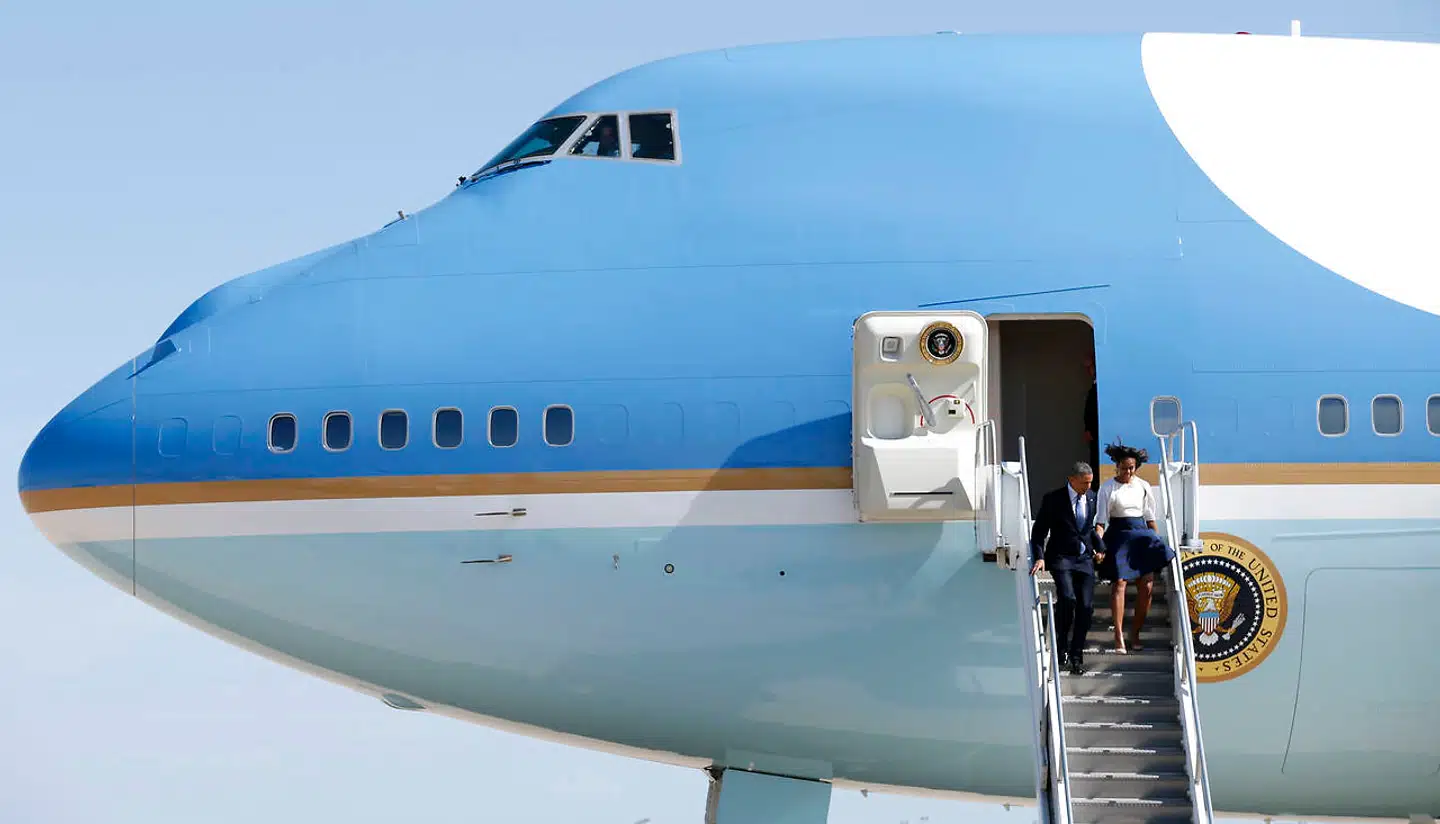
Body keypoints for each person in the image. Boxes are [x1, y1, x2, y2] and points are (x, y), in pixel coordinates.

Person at [1094, 441, 1176, 654]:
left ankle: (1136, 632)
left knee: (1147, 585)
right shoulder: (1107, 488)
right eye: (1124, 467)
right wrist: (1098, 546)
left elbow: (1149, 518)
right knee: (1119, 583)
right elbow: (1101, 521)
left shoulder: (1143, 486)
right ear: (1117, 466)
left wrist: (1156, 543)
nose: (1128, 471)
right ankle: (1118, 634)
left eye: (1132, 467)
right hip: (1119, 535)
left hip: (1141, 535)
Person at [1029, 461, 1103, 675]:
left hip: (1084, 558)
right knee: (1068, 598)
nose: (1088, 487)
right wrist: (1039, 557)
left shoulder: (1091, 497)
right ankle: (1061, 645)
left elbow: (1087, 529)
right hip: (1061, 557)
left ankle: (1076, 654)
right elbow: (1039, 531)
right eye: (1084, 483)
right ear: (1072, 480)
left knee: (1086, 607)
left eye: (1090, 482)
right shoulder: (1053, 499)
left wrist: (1100, 548)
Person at [1083, 357, 1099, 483]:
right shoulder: (1094, 388)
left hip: (1097, 433)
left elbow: (1092, 411)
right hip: (1094, 434)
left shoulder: (1098, 390)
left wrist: (1089, 429)